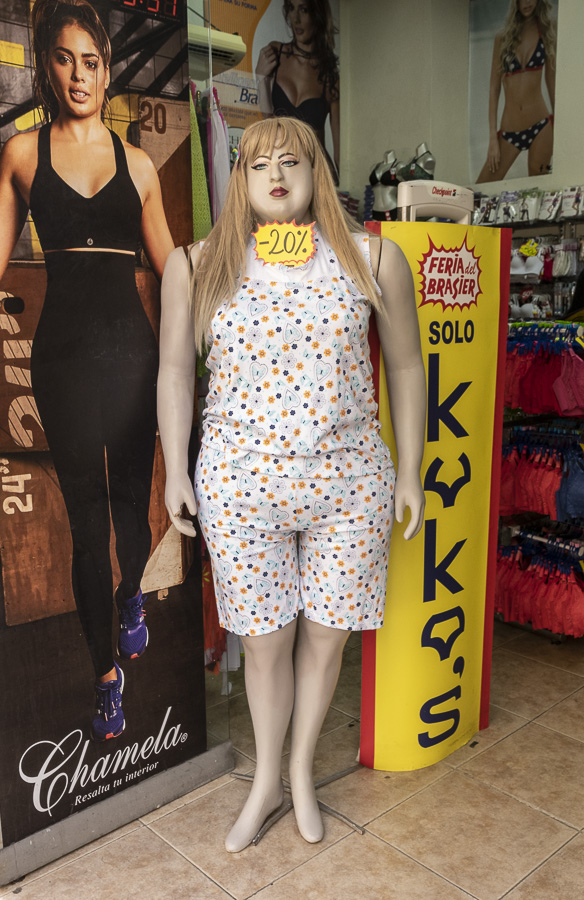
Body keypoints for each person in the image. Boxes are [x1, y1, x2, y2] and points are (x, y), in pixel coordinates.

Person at [158, 116, 426, 851]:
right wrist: (176, 470)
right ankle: (266, 781)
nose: (275, 175)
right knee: (265, 642)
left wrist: (410, 471)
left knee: (326, 640)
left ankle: (301, 772)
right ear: (239, 178)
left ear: (317, 171)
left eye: (291, 160)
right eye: (258, 164)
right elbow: (175, 370)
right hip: (240, 485)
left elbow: (407, 365)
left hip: (349, 484)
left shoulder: (373, 257)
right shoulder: (197, 263)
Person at [0, 0, 174, 740]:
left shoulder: (139, 165)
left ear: (107, 72)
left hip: (133, 358)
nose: (79, 74)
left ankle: (132, 590)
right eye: (65, 59)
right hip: (63, 361)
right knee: (86, 522)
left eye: (92, 62)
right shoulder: (21, 153)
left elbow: (173, 270)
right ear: (48, 66)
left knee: (132, 512)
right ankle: (106, 675)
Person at [255, 0, 340, 183]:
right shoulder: (274, 54)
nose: (296, 18)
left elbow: (340, 154)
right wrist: (261, 78)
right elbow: (267, 121)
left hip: (317, 174)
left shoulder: (330, 75)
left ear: (317, 16)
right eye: (292, 9)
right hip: (283, 171)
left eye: (304, 10)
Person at [477, 0, 556, 183]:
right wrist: (493, 140)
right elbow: (494, 89)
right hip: (509, 132)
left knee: (538, 188)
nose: (527, 2)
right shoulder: (502, 38)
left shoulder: (546, 30)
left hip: (541, 126)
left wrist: (559, 126)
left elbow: (551, 80)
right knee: (481, 187)